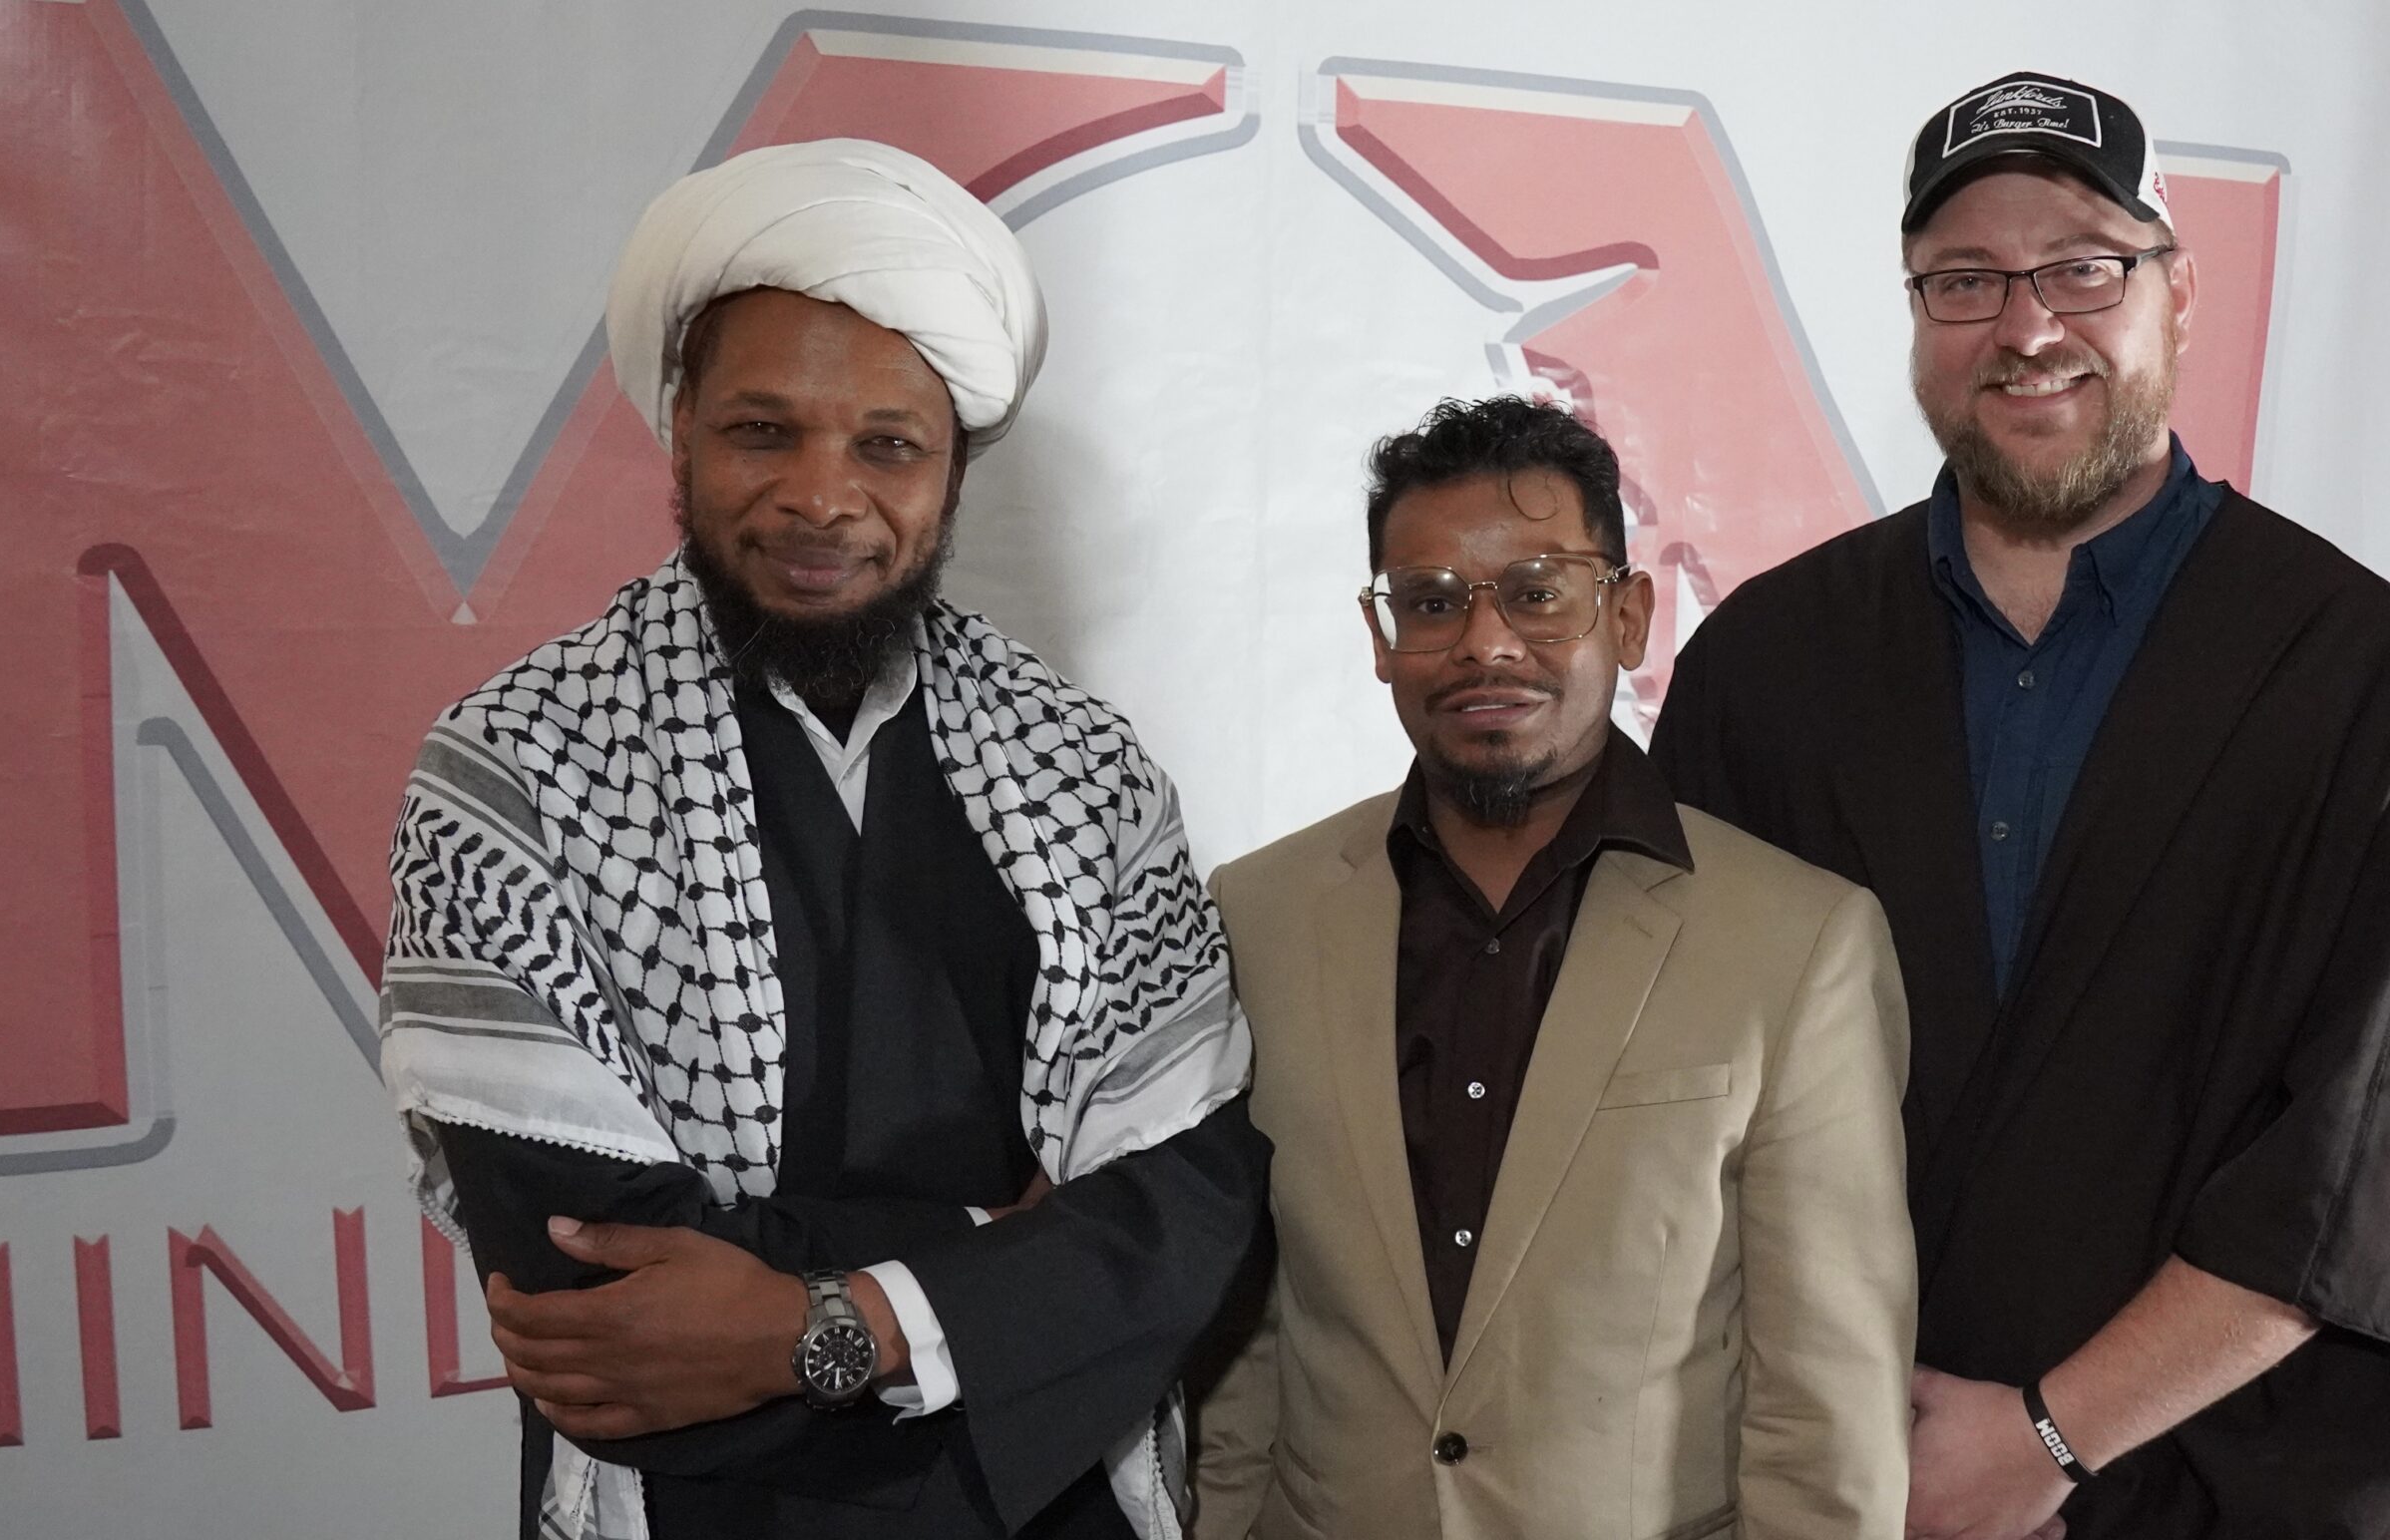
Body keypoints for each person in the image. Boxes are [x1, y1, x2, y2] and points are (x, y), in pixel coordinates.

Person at [377, 138, 1268, 1540]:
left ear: (954, 466)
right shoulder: (514, 773)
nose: (821, 496)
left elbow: (1182, 1221)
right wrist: (1005, 1260)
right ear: (680, 428)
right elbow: (592, 1291)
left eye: (886, 445)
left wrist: (823, 1323)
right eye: (762, 431)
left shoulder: (1088, 774)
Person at [1653, 70, 2390, 1540]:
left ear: (2179, 294)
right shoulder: (1767, 665)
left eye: (2082, 267)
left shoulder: (2353, 666)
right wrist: (1849, 1435)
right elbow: (1675, 1098)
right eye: (1966, 280)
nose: (2027, 325)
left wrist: (2047, 1437)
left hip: (2245, 1486)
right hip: (1841, 1481)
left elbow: (2357, 1148)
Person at [1189, 396, 1914, 1539]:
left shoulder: (1799, 943)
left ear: (1626, 615)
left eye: (1537, 591)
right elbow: (1245, 1339)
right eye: (1432, 602)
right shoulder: (1260, 913)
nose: (1485, 643)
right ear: (1380, 637)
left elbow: (1827, 1413)